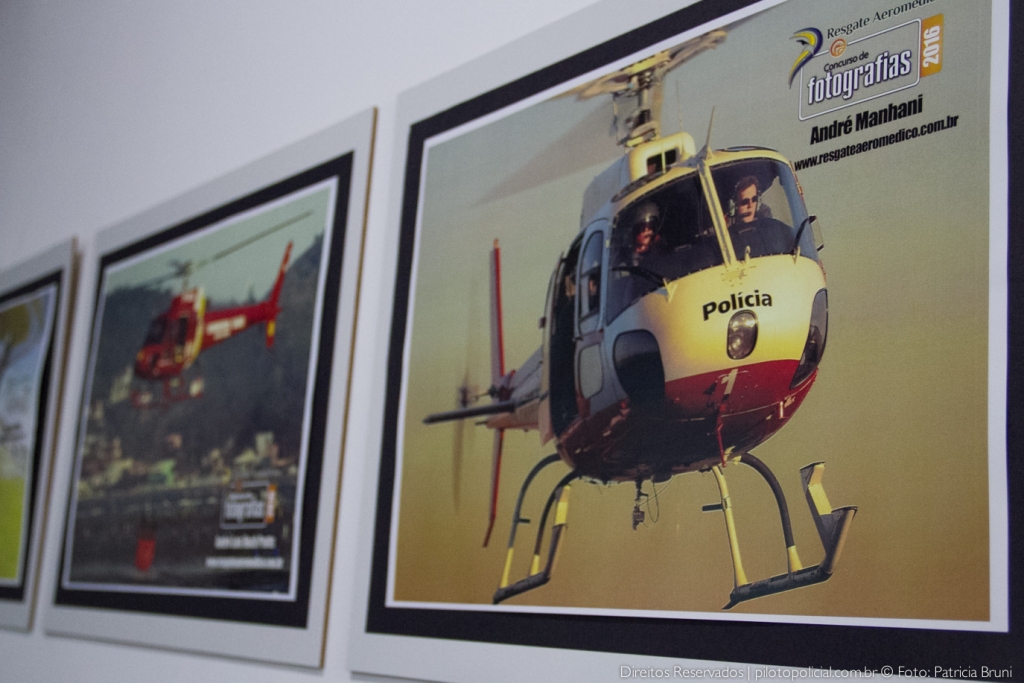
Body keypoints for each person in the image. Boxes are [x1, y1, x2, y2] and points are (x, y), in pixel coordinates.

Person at [728, 176, 792, 258]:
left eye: (754, 199)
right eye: (745, 201)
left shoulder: (774, 228)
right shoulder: (727, 238)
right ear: (734, 205)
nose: (750, 205)